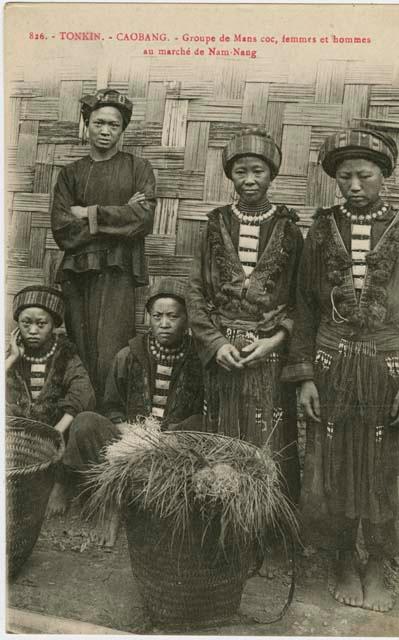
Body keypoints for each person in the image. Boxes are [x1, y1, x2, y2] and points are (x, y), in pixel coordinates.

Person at [282, 128, 399, 612]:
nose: (354, 185)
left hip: (387, 368)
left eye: (365, 175)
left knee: (382, 466)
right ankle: (339, 559)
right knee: (330, 465)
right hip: (331, 365)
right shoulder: (322, 229)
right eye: (345, 177)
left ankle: (378, 563)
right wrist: (306, 377)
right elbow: (306, 306)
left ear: (384, 176)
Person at [186, 127, 303, 575]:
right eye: (241, 171)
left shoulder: (290, 230)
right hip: (221, 355)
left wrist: (275, 340)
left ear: (271, 175)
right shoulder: (215, 223)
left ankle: (265, 534)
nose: (249, 179)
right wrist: (214, 344)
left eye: (257, 170)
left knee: (266, 443)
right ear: (230, 176)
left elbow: (301, 299)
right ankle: (222, 532)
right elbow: (196, 291)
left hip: (267, 355)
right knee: (223, 436)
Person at [63, 278, 204, 546]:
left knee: (205, 427)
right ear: (147, 317)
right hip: (129, 441)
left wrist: (175, 434)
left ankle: (159, 510)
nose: (164, 323)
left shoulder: (199, 359)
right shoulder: (129, 355)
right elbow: (111, 404)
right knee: (85, 423)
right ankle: (110, 500)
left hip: (174, 446)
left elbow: (202, 412)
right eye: (157, 316)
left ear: (187, 319)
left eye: (173, 316)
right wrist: (122, 425)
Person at [51, 88, 156, 406]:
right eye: (99, 123)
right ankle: (77, 426)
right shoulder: (70, 174)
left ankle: (110, 424)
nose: (105, 130)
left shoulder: (138, 168)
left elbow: (142, 221)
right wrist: (119, 214)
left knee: (113, 350)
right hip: (77, 273)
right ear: (87, 124)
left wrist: (90, 213)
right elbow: (62, 229)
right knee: (79, 351)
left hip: (116, 270)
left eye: (113, 124)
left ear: (122, 129)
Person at [6, 285, 95, 516]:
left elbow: (82, 392)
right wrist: (12, 358)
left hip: (57, 431)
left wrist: (57, 431)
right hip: (22, 436)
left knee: (80, 423)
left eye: (41, 324)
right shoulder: (13, 353)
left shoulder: (65, 354)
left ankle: (60, 485)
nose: (33, 330)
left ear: (53, 325)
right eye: (26, 323)